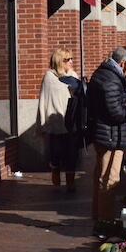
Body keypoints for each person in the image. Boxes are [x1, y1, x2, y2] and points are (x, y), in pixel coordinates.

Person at [86, 46, 126, 240]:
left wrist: (125, 104)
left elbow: (112, 106)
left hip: (105, 134)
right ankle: (106, 223)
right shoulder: (111, 79)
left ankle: (99, 220)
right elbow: (116, 114)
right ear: (123, 63)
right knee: (109, 180)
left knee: (101, 177)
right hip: (110, 136)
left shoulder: (104, 74)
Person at [36, 48, 81, 192]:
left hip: (71, 121)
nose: (71, 62)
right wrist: (42, 123)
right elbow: (44, 99)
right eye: (68, 59)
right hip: (55, 121)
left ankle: (70, 181)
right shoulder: (49, 77)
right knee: (56, 152)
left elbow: (79, 97)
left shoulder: (73, 76)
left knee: (72, 153)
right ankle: (54, 167)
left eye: (71, 59)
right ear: (60, 61)